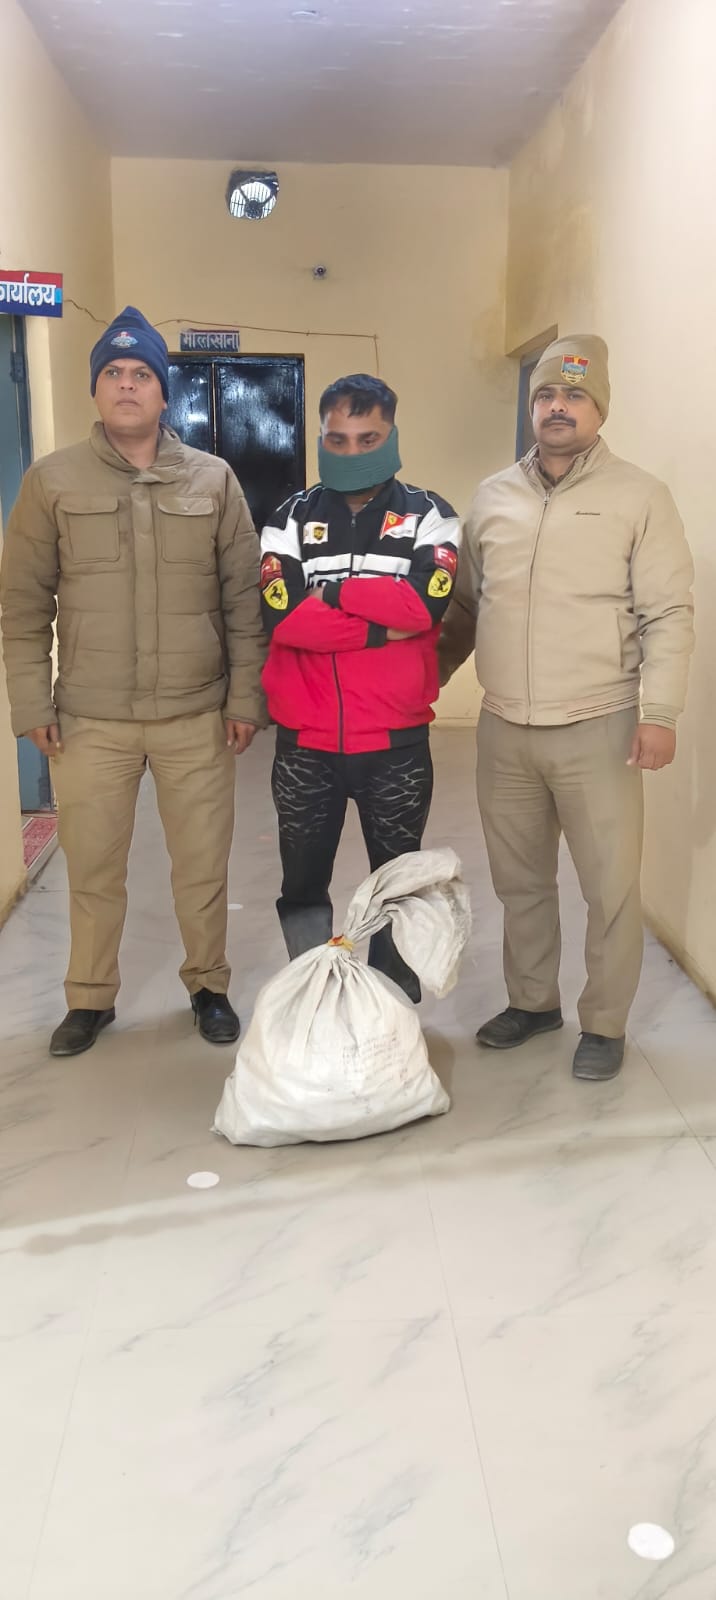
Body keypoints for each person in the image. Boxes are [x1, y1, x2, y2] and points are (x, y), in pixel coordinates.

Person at [0, 306, 267, 1056]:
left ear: (163, 392)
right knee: (93, 867)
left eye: (141, 373)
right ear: (95, 389)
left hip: (195, 716)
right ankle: (89, 998)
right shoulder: (52, 481)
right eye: (113, 373)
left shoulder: (212, 479)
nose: (126, 384)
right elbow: (22, 604)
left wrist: (245, 697)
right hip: (92, 720)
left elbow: (243, 600)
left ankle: (208, 985)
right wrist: (31, 701)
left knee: (202, 867)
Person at [438, 335, 694, 1080]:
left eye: (574, 395)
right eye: (547, 394)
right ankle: (532, 1002)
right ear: (532, 406)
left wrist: (660, 713)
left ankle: (605, 1023)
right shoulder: (493, 495)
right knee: (519, 881)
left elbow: (668, 612)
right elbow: (465, 606)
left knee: (609, 888)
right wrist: (424, 684)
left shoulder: (639, 496)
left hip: (599, 725)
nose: (558, 406)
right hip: (504, 729)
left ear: (599, 408)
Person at [259, 372, 459, 1000]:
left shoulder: (431, 515)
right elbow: (284, 616)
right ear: (321, 438)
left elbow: (424, 607)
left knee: (396, 886)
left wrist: (333, 593)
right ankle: (312, 995)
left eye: (367, 438)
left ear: (391, 436)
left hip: (395, 744)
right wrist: (379, 626)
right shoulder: (288, 518)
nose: (352, 451)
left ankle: (391, 1000)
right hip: (306, 745)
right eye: (338, 439)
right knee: (301, 887)